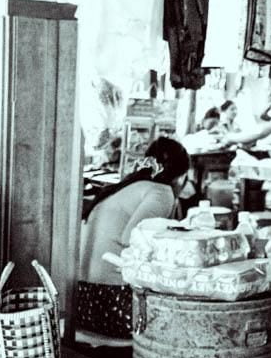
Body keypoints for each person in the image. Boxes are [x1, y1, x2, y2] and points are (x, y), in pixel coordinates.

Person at [77, 136, 190, 339]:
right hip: (112, 304)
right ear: (181, 176)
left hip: (82, 301)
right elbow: (132, 239)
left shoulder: (125, 187)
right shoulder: (161, 192)